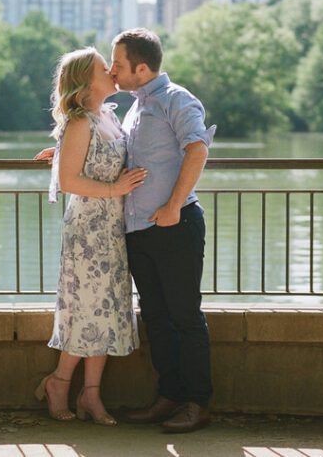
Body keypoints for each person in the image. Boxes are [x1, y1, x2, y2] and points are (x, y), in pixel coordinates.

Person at [33, 47, 147, 424]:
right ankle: (60, 383)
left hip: (112, 229)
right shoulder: (82, 121)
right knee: (85, 310)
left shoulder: (107, 117)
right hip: (87, 231)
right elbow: (69, 181)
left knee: (107, 310)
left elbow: (92, 160)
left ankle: (91, 396)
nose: (113, 70)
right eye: (104, 67)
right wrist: (114, 189)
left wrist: (65, 150)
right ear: (87, 80)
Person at [110, 28, 216, 434]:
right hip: (139, 230)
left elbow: (197, 148)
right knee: (155, 317)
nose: (112, 71)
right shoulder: (134, 108)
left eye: (118, 65)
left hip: (175, 224)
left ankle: (198, 403)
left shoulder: (177, 99)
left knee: (185, 316)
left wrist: (173, 206)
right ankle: (169, 397)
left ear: (141, 67)